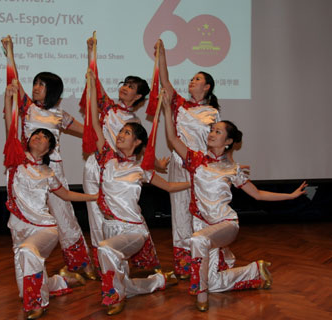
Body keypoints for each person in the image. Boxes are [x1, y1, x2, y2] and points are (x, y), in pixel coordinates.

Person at [161, 90, 307, 311]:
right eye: (211, 130)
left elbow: (257, 194)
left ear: (228, 141)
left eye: (217, 131)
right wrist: (165, 109)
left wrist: (291, 195)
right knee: (212, 281)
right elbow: (172, 139)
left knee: (198, 241)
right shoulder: (195, 160)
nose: (211, 133)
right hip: (202, 225)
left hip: (225, 224)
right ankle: (254, 272)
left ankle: (201, 299)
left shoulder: (232, 169)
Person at [87, 70, 189, 315]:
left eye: (127, 134)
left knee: (106, 250)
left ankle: (115, 298)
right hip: (110, 227)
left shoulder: (142, 169)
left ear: (138, 143)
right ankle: (158, 281)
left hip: (133, 230)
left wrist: (194, 182)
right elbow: (93, 122)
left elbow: (171, 187)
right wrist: (92, 86)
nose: (120, 135)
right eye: (121, 132)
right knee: (123, 276)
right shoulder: (106, 159)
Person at [2, 37, 96, 279]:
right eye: (35, 83)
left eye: (42, 85)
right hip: (27, 171)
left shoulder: (59, 114)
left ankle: (81, 263)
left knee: (64, 214)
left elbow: (87, 132)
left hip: (53, 170)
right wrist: (10, 52)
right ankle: (30, 261)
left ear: (52, 90)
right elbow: (14, 80)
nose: (36, 88)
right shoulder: (26, 107)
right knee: (30, 215)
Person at [82, 37, 168, 275]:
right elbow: (93, 84)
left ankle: (125, 258)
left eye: (131, 87)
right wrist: (91, 52)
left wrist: (157, 165)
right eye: (124, 83)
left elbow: (139, 153)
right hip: (95, 166)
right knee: (95, 213)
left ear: (139, 97)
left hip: (118, 173)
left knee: (121, 215)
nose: (125, 87)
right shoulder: (108, 107)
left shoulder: (136, 123)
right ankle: (102, 263)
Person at [3, 106, 98, 319]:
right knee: (23, 289)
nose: (39, 136)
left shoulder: (47, 172)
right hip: (18, 228)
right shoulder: (14, 161)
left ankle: (38, 304)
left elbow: (66, 195)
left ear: (48, 149)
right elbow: (10, 127)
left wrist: (94, 197)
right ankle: (60, 281)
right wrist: (9, 99)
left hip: (44, 229)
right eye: (36, 133)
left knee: (29, 252)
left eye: (45, 136)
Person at [154, 39, 233, 279]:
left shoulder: (213, 113)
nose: (192, 81)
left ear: (207, 87)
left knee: (204, 213)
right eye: (191, 79)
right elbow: (165, 82)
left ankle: (207, 260)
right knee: (179, 214)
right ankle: (184, 265)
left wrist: (225, 168)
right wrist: (162, 56)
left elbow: (221, 142)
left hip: (202, 169)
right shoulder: (180, 105)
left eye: (197, 79)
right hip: (180, 165)